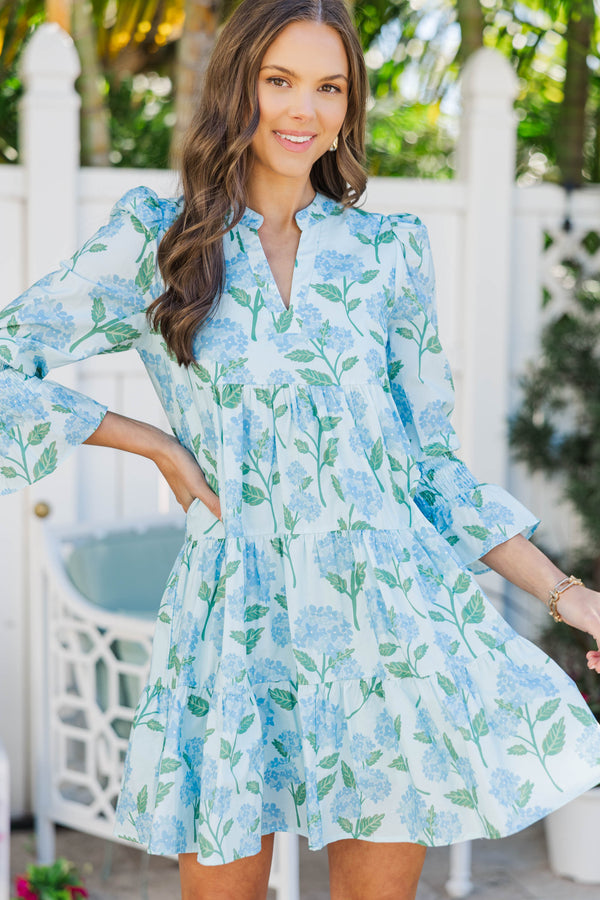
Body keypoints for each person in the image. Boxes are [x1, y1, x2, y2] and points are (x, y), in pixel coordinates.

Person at [2, 1, 600, 897]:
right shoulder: (158, 237)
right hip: (233, 623)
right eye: (279, 80)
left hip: (386, 626)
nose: (303, 110)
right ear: (236, 83)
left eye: (329, 87)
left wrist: (569, 595)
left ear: (350, 104)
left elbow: (429, 468)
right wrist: (154, 445)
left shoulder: (388, 252)